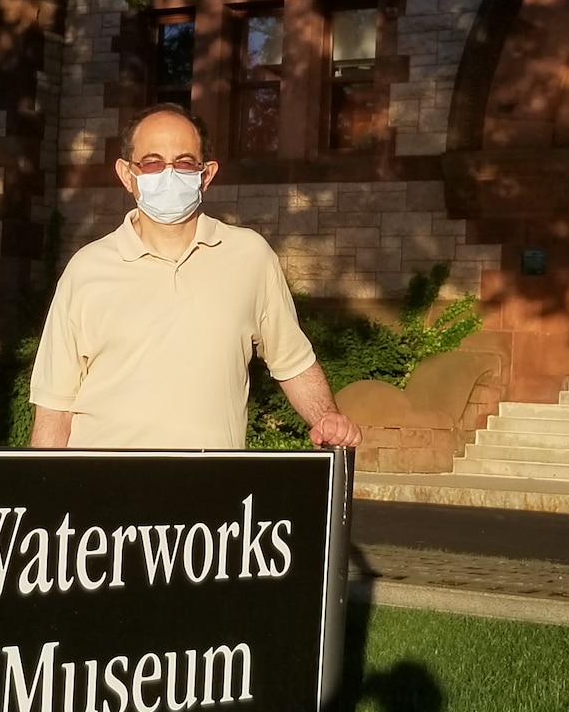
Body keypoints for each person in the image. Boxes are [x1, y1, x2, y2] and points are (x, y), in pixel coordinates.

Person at [28, 102, 361, 451]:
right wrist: (44, 492)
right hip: (105, 489)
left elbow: (292, 361)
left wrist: (327, 419)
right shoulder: (87, 269)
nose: (169, 174)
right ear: (127, 175)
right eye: (153, 162)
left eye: (184, 162)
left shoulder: (249, 257)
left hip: (214, 489)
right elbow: (55, 405)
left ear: (206, 174)